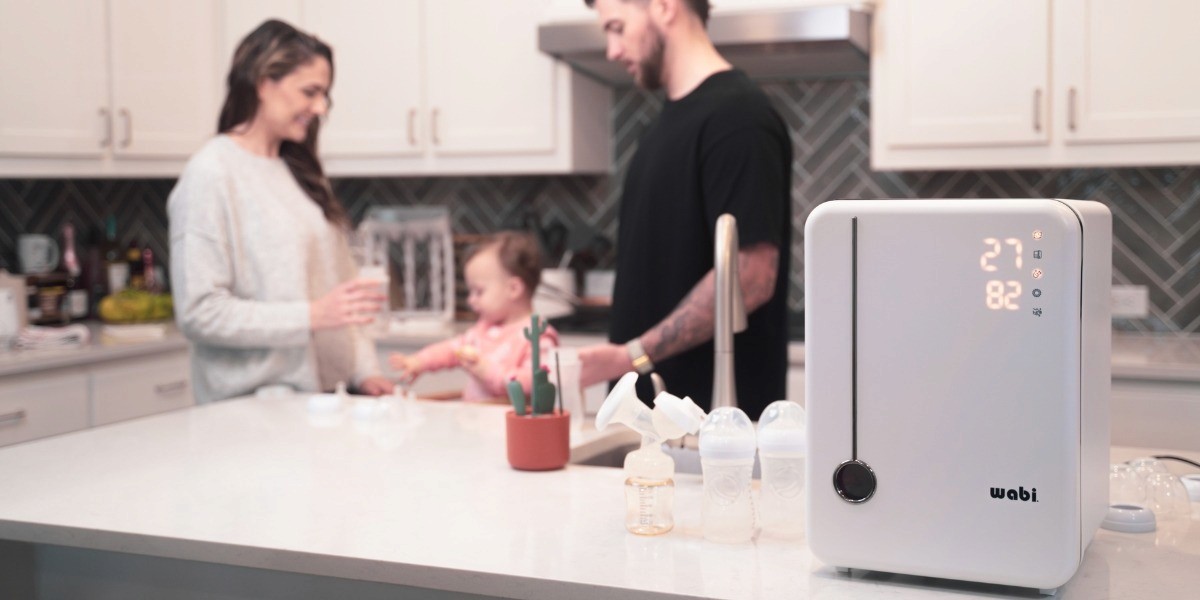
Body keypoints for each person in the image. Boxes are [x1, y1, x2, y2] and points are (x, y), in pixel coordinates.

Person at [578, 0, 792, 420]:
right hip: (660, 434)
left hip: (711, 439)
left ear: (663, 6)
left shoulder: (738, 118)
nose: (612, 50)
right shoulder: (665, 124)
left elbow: (749, 278)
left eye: (618, 27)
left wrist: (633, 355)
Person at [168, 20, 393, 403]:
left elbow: (341, 294)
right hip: (252, 416)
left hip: (325, 402)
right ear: (263, 82)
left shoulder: (299, 172)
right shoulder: (211, 174)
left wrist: (366, 373)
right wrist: (310, 316)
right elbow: (200, 312)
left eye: (325, 95)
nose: (320, 108)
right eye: (310, 92)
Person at [389, 231, 559, 403]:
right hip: (475, 422)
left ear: (513, 289)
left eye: (479, 291)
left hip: (512, 427)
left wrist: (489, 372)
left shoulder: (539, 336)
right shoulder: (483, 330)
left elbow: (536, 383)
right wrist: (420, 361)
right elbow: (451, 350)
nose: (471, 300)